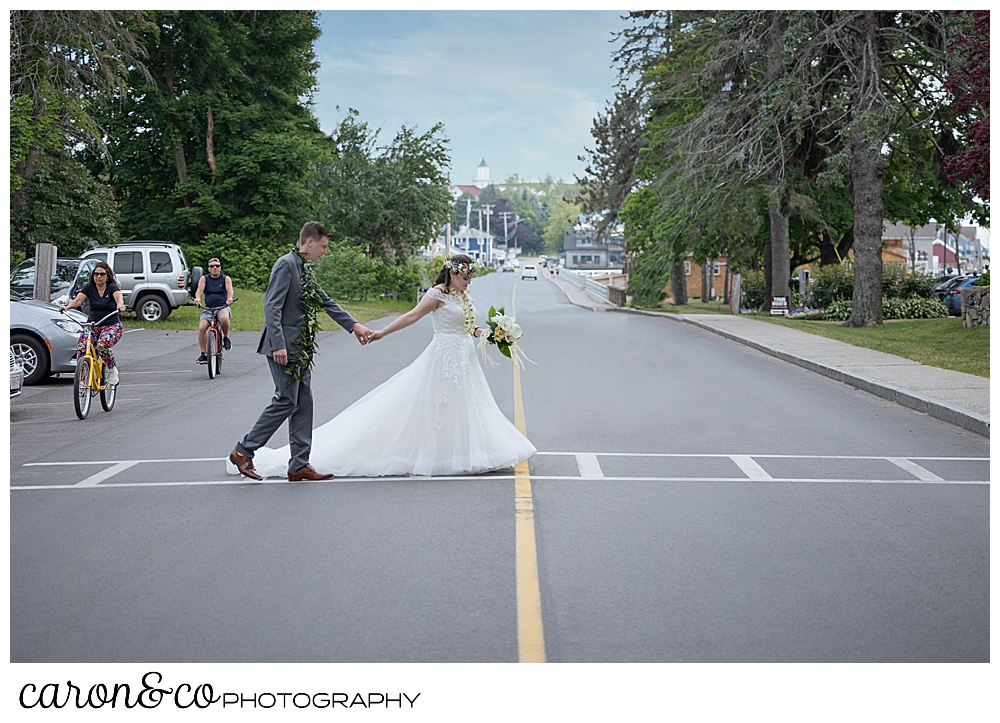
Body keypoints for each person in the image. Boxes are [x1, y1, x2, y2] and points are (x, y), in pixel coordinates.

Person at [243, 254, 536, 478]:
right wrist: (381, 332)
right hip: (443, 356)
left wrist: (491, 335)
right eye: (466, 277)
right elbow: (411, 317)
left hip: (464, 357)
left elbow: (468, 327)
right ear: (453, 274)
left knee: (468, 404)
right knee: (436, 405)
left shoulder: (464, 296)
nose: (469, 282)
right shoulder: (436, 295)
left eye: (471, 278)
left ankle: (466, 451)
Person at [229, 222, 375, 482]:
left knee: (303, 402)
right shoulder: (286, 264)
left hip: (300, 347)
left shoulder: (304, 267)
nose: (325, 252)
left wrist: (354, 326)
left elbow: (324, 300)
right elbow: (271, 306)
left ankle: (298, 465)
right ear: (309, 242)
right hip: (282, 346)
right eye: (323, 246)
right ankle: (243, 452)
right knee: (286, 400)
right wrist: (278, 344)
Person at [58, 261, 127, 385]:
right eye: (96, 274)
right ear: (93, 275)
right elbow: (78, 301)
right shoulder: (89, 287)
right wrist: (67, 307)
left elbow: (119, 298)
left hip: (111, 325)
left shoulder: (112, 287)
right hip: (93, 325)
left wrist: (120, 305)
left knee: (102, 345)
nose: (99, 277)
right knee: (82, 347)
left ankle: (111, 369)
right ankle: (83, 377)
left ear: (107, 276)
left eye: (102, 274)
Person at [193, 257, 234, 364]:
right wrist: (197, 299)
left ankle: (226, 337)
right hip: (208, 309)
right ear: (209, 268)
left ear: (220, 268)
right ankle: (203, 354)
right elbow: (199, 290)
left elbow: (230, 290)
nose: (215, 268)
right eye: (212, 266)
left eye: (217, 266)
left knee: (224, 319)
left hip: (221, 307)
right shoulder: (204, 279)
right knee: (202, 328)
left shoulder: (225, 278)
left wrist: (229, 298)